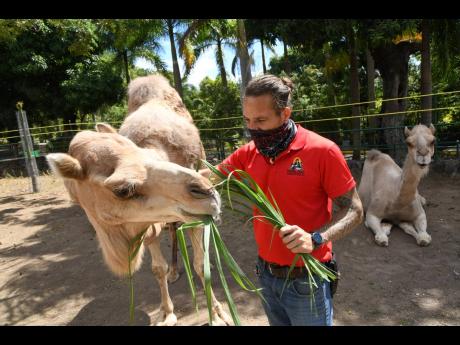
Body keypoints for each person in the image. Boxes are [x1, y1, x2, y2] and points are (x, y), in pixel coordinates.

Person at [201, 74, 363, 326]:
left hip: (307, 278)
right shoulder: (249, 153)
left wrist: (315, 238)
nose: (252, 128)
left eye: (261, 120)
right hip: (266, 276)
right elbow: (207, 178)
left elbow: (355, 210)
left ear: (285, 114)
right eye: (247, 120)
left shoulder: (322, 151)